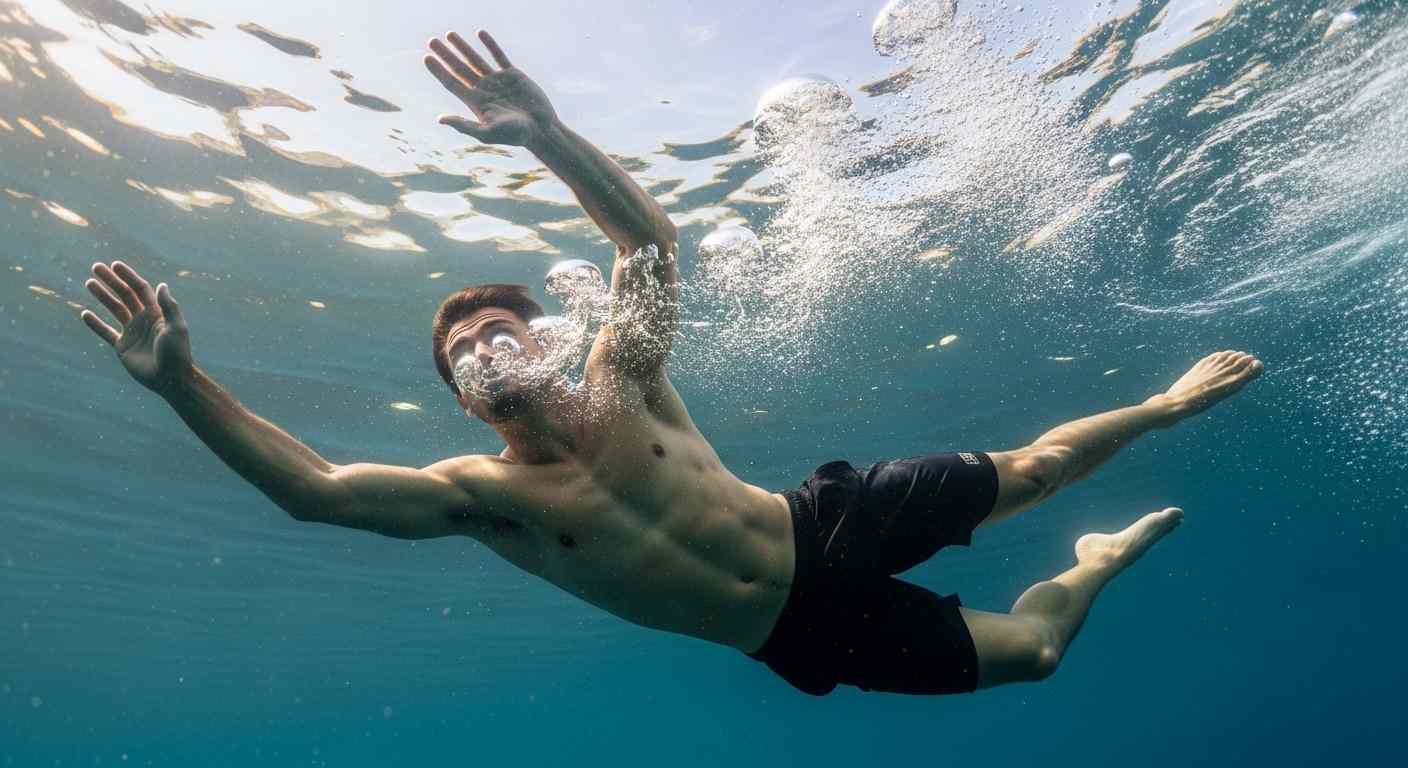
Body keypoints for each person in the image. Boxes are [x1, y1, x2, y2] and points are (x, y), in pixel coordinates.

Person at [77, 30, 1264, 697]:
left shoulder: (622, 375)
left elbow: (644, 245)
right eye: (461, 350)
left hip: (825, 522)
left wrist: (549, 136)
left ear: (541, 337)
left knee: (1039, 470)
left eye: (498, 327)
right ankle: (1097, 560)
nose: (485, 344)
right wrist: (180, 384)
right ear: (463, 399)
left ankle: (1162, 405)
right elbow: (314, 490)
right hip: (797, 635)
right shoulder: (482, 498)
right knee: (1036, 654)